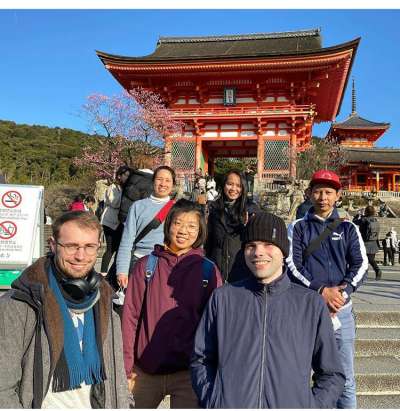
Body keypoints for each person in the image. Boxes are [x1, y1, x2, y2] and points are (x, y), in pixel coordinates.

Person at [191, 211, 345, 408]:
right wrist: (215, 401)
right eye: (251, 246)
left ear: (283, 252)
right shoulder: (223, 299)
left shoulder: (310, 304)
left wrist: (311, 406)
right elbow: (201, 359)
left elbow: (331, 373)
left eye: (268, 245)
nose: (258, 253)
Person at [0, 211, 130, 408]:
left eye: (89, 247)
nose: (80, 256)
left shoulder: (104, 302)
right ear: (53, 245)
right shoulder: (19, 305)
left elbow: (116, 375)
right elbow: (3, 386)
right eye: (71, 246)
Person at [122, 199, 223, 408]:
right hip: (145, 371)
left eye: (191, 225)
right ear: (168, 225)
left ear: (200, 230)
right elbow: (130, 318)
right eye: (178, 223)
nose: (184, 230)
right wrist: (126, 366)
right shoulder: (147, 266)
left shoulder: (208, 271)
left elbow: (216, 324)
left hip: (188, 373)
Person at [287, 169, 368, 409]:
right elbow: (292, 265)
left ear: (337, 195)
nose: (323, 197)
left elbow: (360, 264)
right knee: (301, 374)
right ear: (310, 194)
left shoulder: (348, 228)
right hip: (308, 309)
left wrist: (342, 294)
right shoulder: (298, 228)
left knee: (345, 377)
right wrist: (320, 290)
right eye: (318, 191)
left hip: (341, 310)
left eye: (329, 192)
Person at [116, 165, 176, 289]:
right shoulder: (137, 206)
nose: (163, 183)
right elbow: (127, 240)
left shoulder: (178, 209)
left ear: (173, 184)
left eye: (167, 180)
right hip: (139, 262)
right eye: (159, 179)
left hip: (166, 263)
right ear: (153, 181)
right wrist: (122, 270)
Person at [206, 169, 259, 282]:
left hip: (241, 271)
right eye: (230, 184)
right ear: (223, 184)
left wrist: (247, 227)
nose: (234, 189)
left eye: (238, 185)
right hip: (216, 270)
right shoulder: (214, 209)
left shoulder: (250, 210)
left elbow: (257, 243)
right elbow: (209, 242)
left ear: (243, 188)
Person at [100, 165, 131, 276]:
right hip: (110, 222)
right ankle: (103, 273)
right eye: (125, 175)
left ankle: (114, 273)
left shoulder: (126, 189)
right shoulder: (112, 188)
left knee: (119, 249)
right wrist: (124, 194)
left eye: (129, 176)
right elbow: (114, 202)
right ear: (119, 176)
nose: (127, 178)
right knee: (110, 248)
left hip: (121, 223)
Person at [359, 205, 382, 280]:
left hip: (365, 242)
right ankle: (377, 270)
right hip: (374, 242)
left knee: (363, 259)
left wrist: (360, 215)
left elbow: (354, 221)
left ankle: (365, 274)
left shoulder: (364, 219)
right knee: (371, 259)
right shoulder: (375, 220)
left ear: (366, 211)